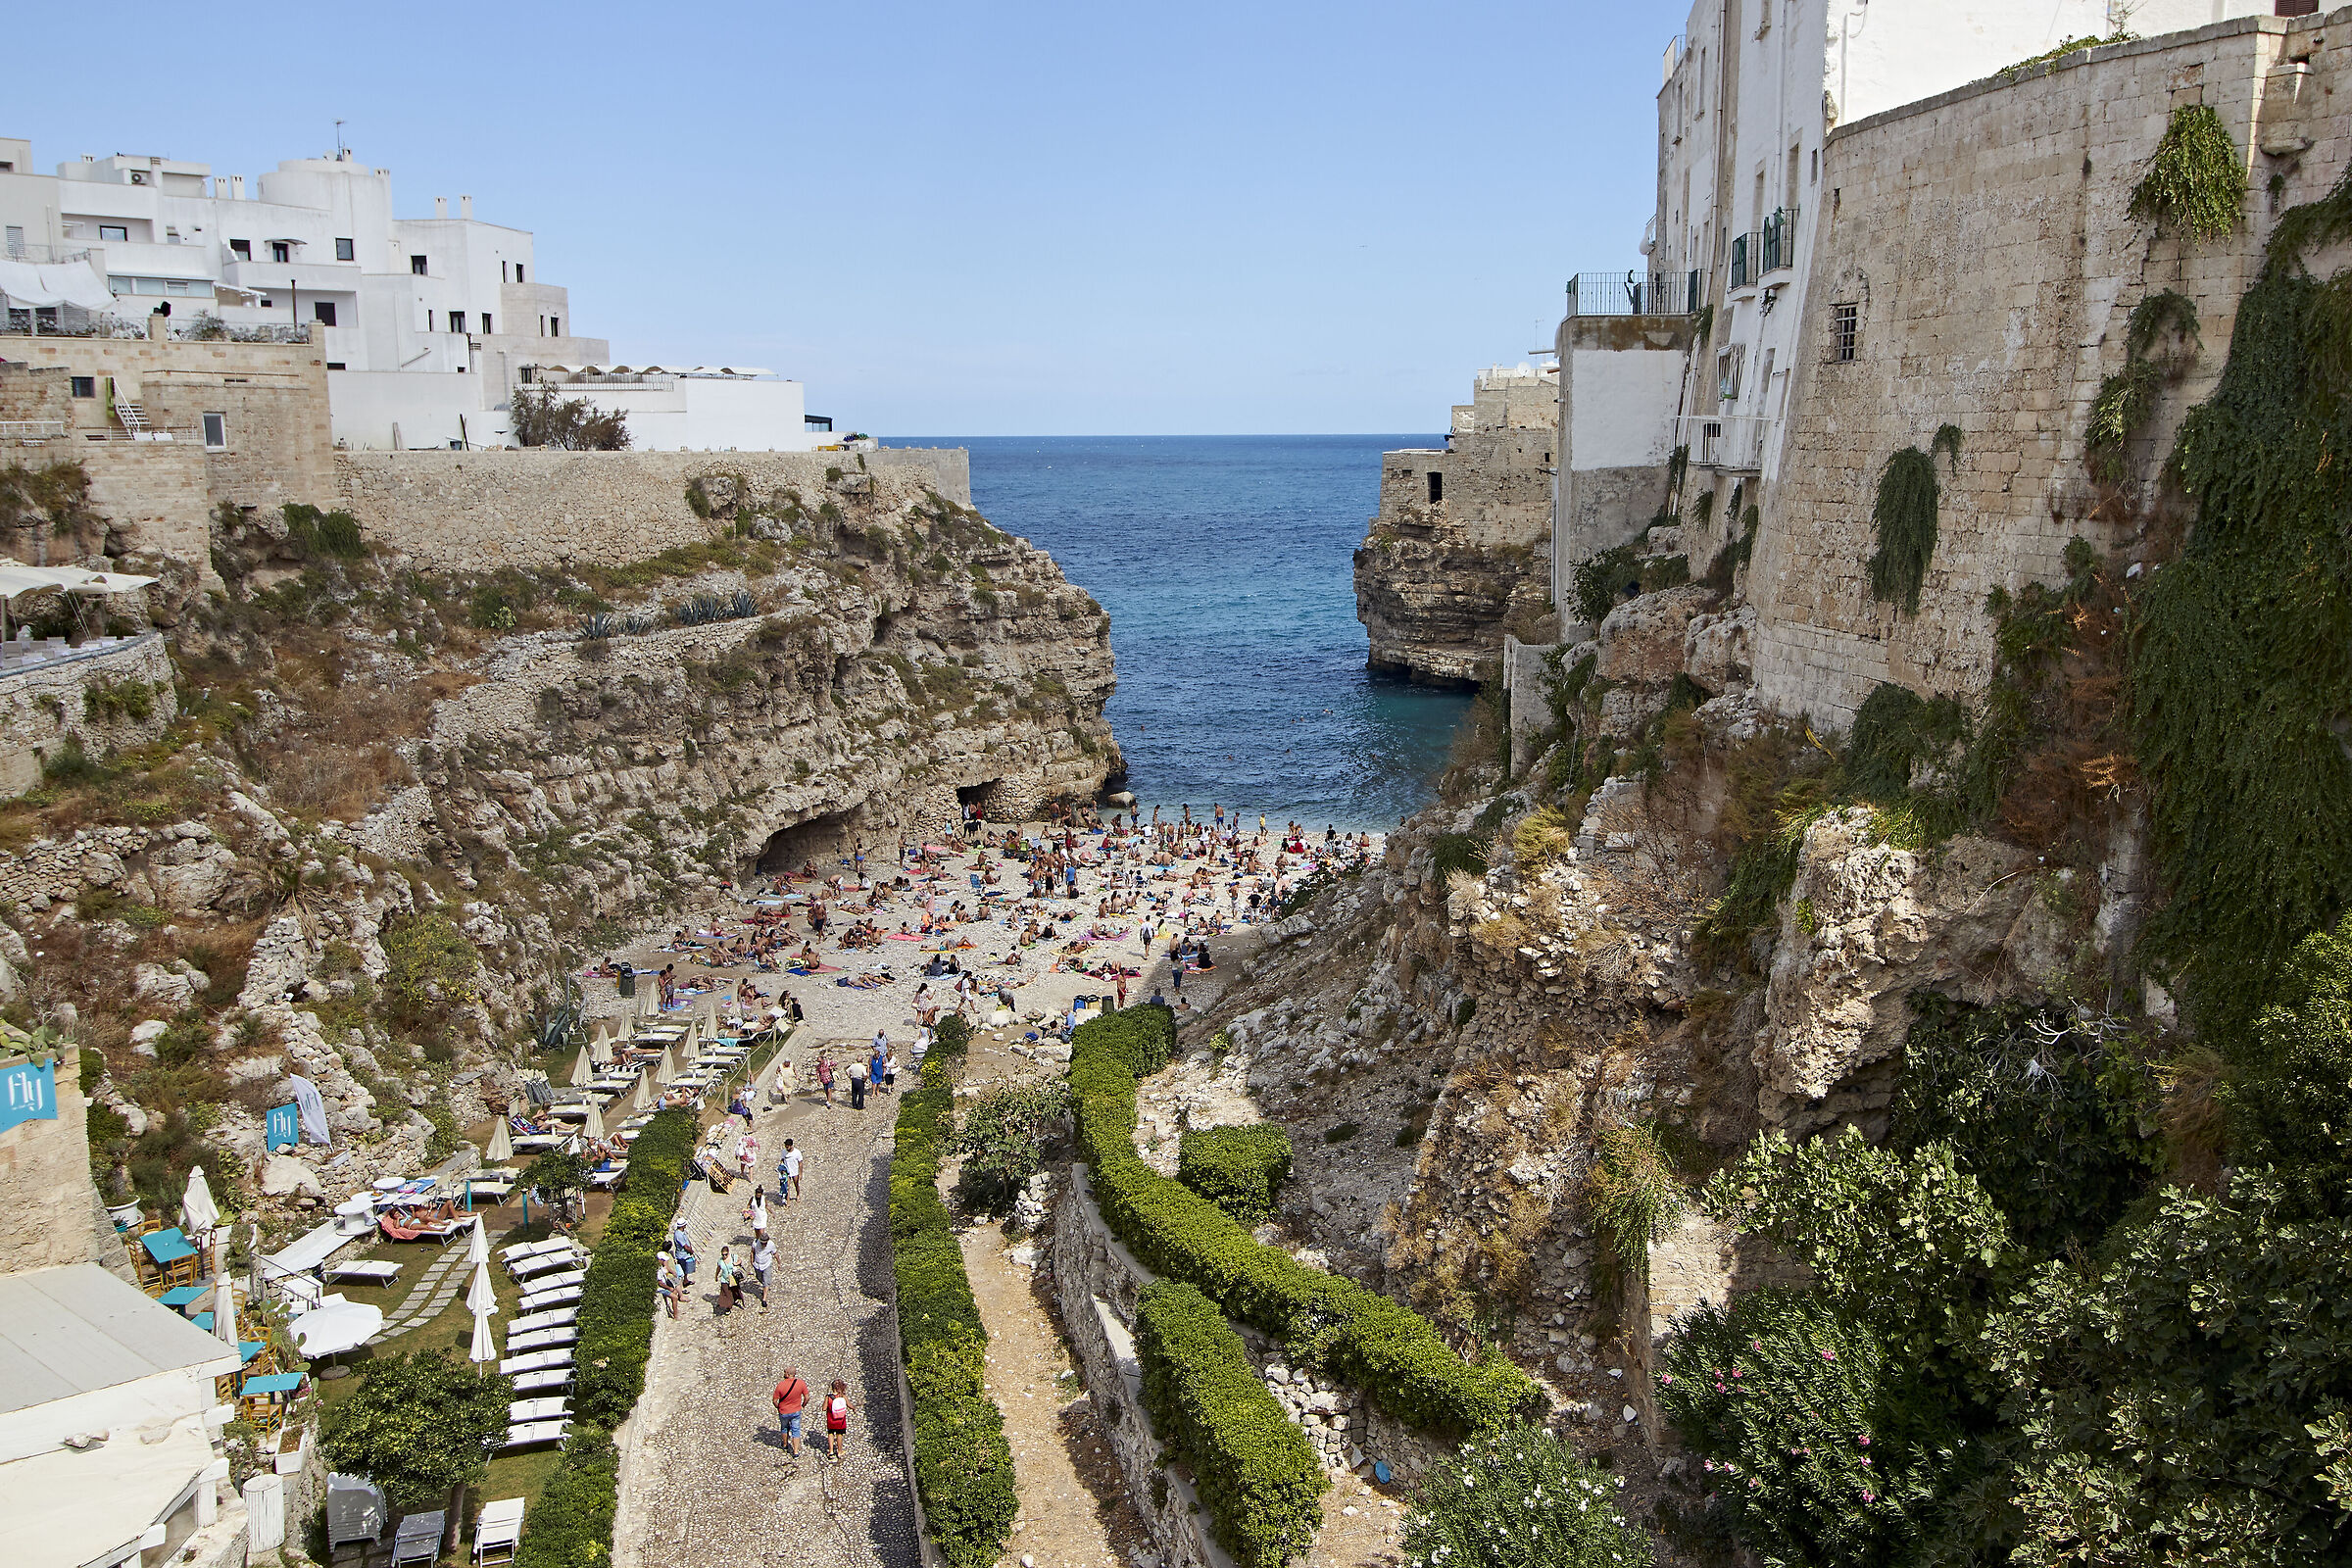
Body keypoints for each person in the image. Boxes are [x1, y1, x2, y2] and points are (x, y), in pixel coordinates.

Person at [772, 1366, 809, 1457]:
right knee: (796, 1430)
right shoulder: (801, 1383)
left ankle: (785, 1445)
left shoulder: (781, 1385)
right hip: (796, 1410)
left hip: (784, 1411)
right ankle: (796, 1451)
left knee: (784, 1428)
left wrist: (778, 1407)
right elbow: (807, 1397)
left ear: (788, 1374)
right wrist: (803, 1406)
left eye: (784, 1372)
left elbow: (774, 1400)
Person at [824, 1380, 855, 1458]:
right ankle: (839, 1451)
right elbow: (849, 1405)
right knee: (839, 1434)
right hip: (840, 1420)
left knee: (830, 1433)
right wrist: (854, 1408)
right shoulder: (842, 1396)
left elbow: (824, 1408)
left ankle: (831, 1451)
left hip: (831, 1419)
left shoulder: (828, 1397)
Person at [750, 1233, 775, 1307]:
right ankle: (764, 1287)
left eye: (765, 1243)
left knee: (766, 1281)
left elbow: (775, 1253)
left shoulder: (771, 1244)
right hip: (757, 1265)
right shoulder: (755, 1243)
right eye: (762, 1243)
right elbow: (752, 1251)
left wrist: (779, 1263)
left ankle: (764, 1299)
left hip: (767, 1264)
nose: (764, 1245)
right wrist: (751, 1259)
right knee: (759, 1277)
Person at [713, 1246, 739, 1314]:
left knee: (734, 1290)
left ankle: (734, 1300)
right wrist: (716, 1276)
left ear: (728, 1253)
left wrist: (736, 1263)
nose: (724, 1256)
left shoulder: (733, 1257)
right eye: (723, 1255)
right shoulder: (720, 1261)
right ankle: (728, 1307)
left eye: (726, 1254)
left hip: (733, 1279)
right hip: (724, 1279)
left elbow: (740, 1260)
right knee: (727, 1293)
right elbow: (718, 1269)